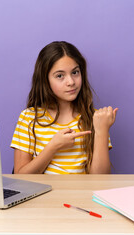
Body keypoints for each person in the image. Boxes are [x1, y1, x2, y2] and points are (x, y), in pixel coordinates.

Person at [10, 41, 118, 174]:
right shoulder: (29, 118)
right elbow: (21, 177)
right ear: (45, 80)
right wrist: (54, 146)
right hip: (44, 195)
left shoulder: (95, 118)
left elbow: (100, 180)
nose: (71, 82)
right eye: (60, 76)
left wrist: (102, 131)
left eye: (75, 72)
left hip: (81, 194)